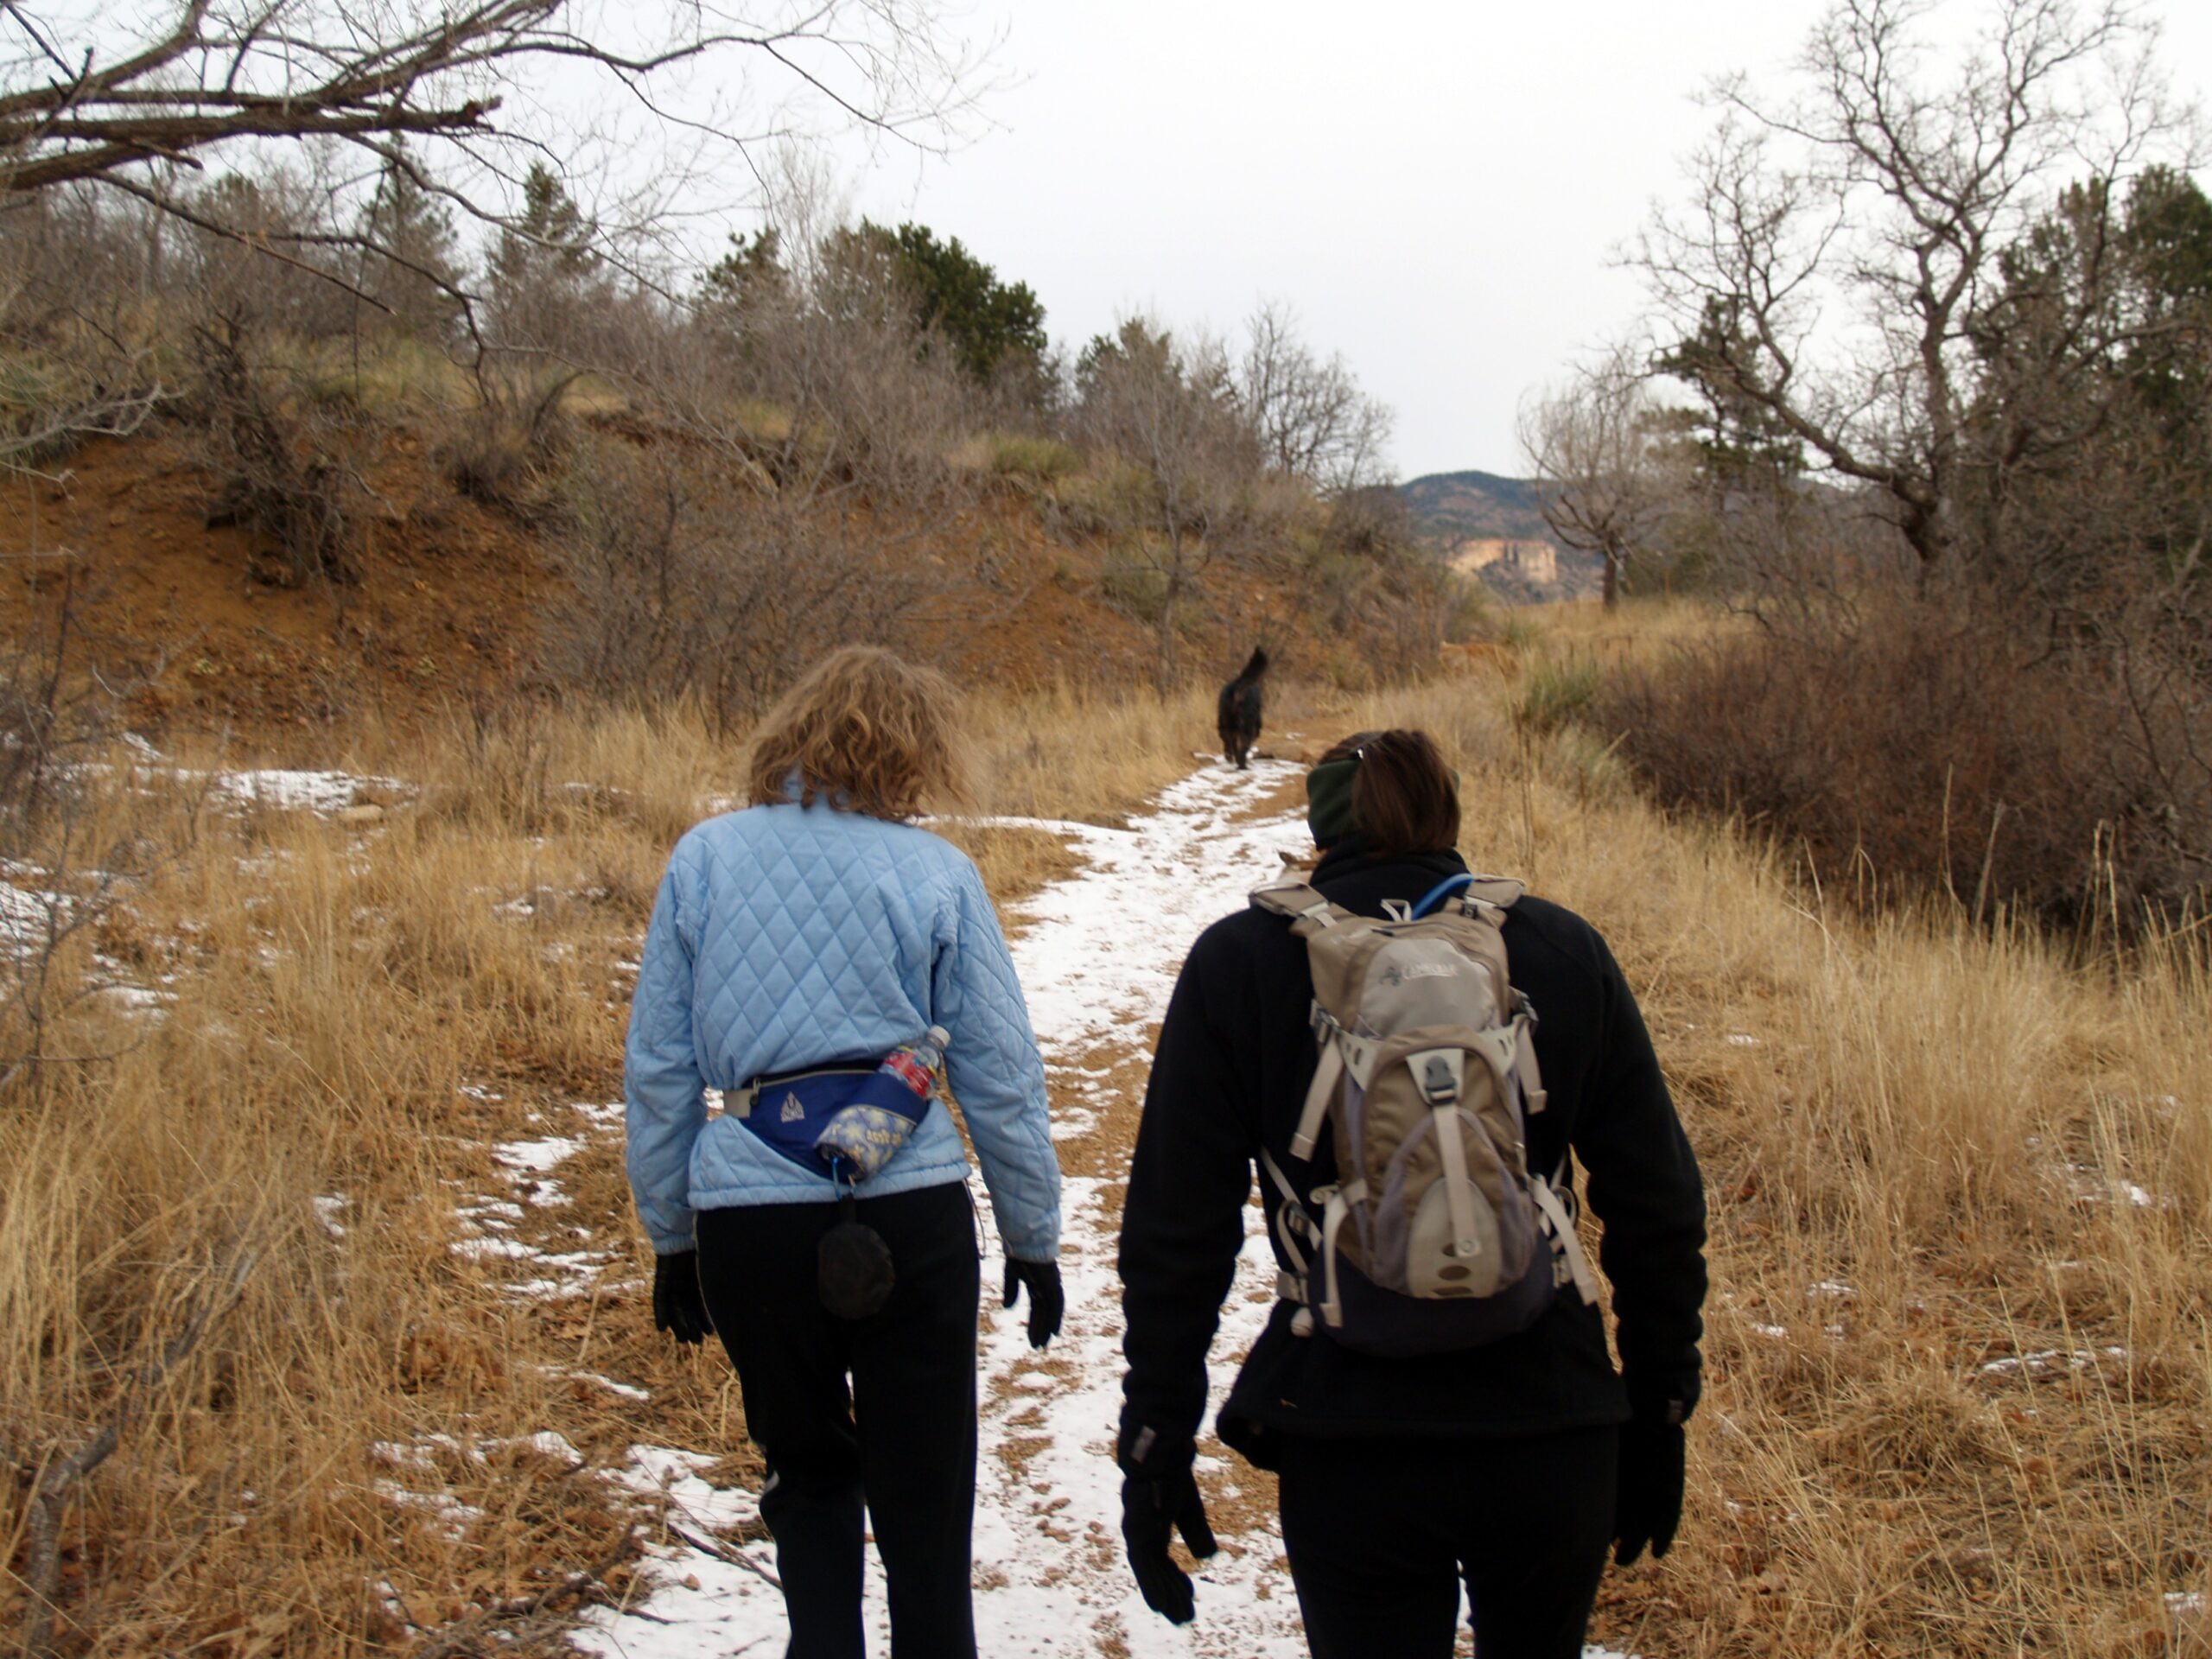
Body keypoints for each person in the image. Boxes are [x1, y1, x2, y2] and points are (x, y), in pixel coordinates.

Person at [1116, 729, 1707, 1659]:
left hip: (1350, 1435)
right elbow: (1656, 1203)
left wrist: (1156, 1436)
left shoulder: (1241, 962)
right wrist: (1661, 1405)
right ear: (1447, 811)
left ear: (1320, 826)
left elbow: (1173, 1236)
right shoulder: (1557, 948)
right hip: (1550, 1421)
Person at [626, 645, 1065, 1659]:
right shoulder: (937, 873)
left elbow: (657, 1069)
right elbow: (1001, 1074)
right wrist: (1031, 1238)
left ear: (791, 733)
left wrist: (671, 1238)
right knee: (926, 1500)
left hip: (749, 1223)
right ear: (914, 751)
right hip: (910, 1213)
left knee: (806, 1483)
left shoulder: (703, 858)